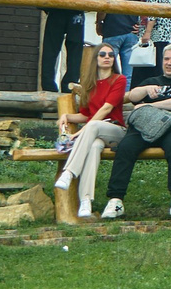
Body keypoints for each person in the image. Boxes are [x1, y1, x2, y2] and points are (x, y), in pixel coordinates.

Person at [101, 42, 171, 219]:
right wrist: (145, 89)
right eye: (166, 59)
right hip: (145, 127)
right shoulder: (152, 81)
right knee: (125, 147)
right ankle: (116, 200)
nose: (169, 63)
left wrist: (150, 105)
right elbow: (132, 96)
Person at [52, 41, 127, 218]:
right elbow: (86, 115)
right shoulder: (89, 84)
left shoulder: (119, 79)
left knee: (93, 126)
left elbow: (106, 109)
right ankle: (86, 201)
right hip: (95, 133)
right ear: (96, 59)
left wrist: (79, 133)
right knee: (94, 147)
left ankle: (69, 172)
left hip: (116, 131)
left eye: (111, 55)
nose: (107, 57)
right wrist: (67, 116)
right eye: (103, 54)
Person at [92, 0, 147, 82]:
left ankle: (109, 90)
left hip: (112, 32)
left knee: (106, 68)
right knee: (128, 74)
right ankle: (126, 92)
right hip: (131, 33)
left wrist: (99, 23)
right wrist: (142, 25)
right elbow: (145, 7)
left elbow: (102, 10)